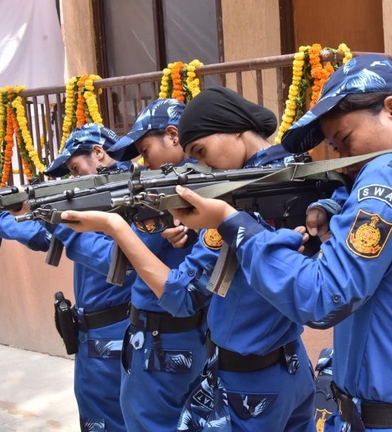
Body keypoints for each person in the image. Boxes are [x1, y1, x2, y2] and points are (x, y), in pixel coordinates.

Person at [157, 55, 392, 431]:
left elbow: (322, 297)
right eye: (335, 149)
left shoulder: (387, 175)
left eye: (345, 141)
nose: (345, 161)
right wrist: (335, 206)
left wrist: (232, 223)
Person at [60, 86, 317, 431]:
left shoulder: (242, 200)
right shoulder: (285, 177)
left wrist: (115, 227)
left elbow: (182, 296)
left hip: (250, 386)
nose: (203, 167)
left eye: (201, 153)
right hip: (292, 366)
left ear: (232, 128)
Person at [0, 123, 135, 432]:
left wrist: (50, 216)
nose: (73, 180)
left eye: (75, 169)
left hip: (114, 331)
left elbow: (112, 259)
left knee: (109, 420)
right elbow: (40, 235)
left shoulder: (130, 198)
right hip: (98, 335)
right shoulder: (97, 199)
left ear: (99, 153)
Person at [104, 99, 209, 431]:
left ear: (173, 136)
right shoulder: (203, 184)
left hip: (160, 339)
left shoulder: (191, 188)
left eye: (145, 150)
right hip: (191, 337)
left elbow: (126, 261)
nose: (143, 162)